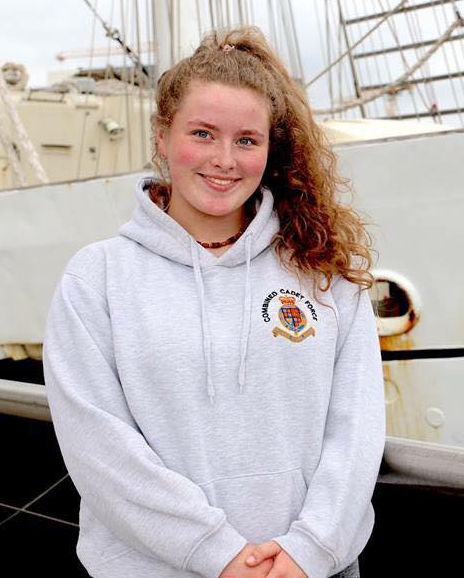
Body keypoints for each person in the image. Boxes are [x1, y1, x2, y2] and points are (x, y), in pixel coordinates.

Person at [42, 26, 385, 578]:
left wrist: (310, 550)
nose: (224, 160)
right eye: (202, 133)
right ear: (161, 135)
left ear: (270, 149)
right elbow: (98, 446)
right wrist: (218, 553)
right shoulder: (97, 278)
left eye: (246, 140)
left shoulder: (324, 273)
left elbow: (356, 431)